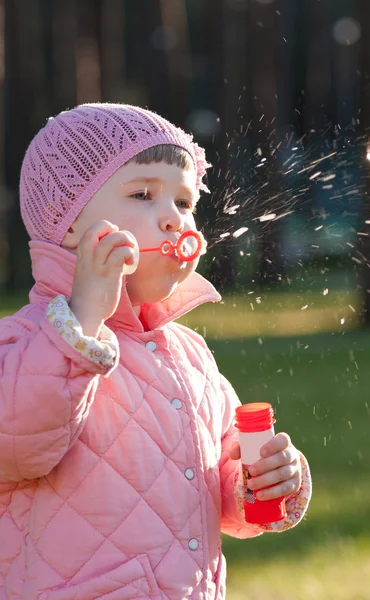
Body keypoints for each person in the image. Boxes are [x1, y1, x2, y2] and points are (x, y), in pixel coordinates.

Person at [0, 103, 312, 600]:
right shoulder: (24, 341)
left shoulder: (190, 356)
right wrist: (81, 318)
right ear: (71, 223)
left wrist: (260, 481)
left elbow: (217, 482)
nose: (173, 219)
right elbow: (17, 444)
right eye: (144, 194)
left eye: (185, 203)